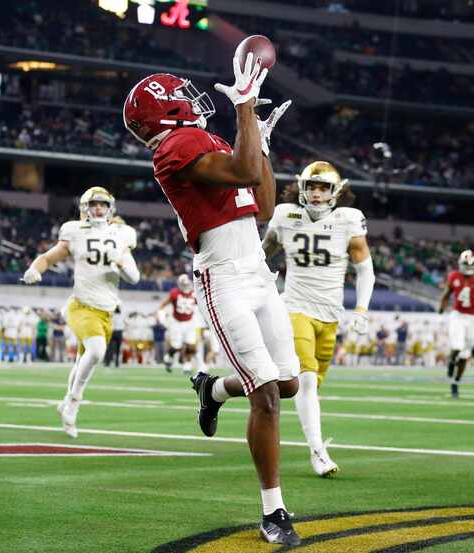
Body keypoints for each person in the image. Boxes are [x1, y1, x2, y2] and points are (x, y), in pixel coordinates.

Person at [124, 55, 301, 544]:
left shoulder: (205, 140)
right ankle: (274, 510)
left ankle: (214, 389)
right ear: (164, 113)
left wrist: (260, 141)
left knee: (288, 385)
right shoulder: (175, 145)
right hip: (221, 277)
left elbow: (264, 205)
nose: (190, 98)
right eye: (178, 95)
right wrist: (244, 111)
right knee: (266, 394)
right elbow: (244, 170)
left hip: (258, 272)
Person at [262, 160, 375, 477]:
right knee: (307, 381)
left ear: (335, 191)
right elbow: (263, 252)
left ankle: (220, 390)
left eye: (322, 187)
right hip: (295, 307)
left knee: (305, 385)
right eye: (311, 186)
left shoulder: (348, 220)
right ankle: (318, 452)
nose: (315, 193)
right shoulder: (285, 215)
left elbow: (365, 268)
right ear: (301, 187)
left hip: (330, 315)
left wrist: (362, 309)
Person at [22, 186, 140, 438]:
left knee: (81, 362)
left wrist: (119, 265)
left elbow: (135, 277)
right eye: (94, 204)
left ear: (110, 208)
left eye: (103, 205)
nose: (99, 208)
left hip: (106, 311)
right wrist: (35, 269)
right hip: (80, 305)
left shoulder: (121, 234)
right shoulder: (74, 232)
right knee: (97, 352)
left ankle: (66, 403)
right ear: (85, 207)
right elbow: (49, 256)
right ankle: (73, 403)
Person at [438, 250, 474, 398]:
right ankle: (451, 363)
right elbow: (446, 294)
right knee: (457, 346)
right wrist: (441, 307)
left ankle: (455, 383)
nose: (468, 267)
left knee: (465, 355)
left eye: (471, 264)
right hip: (458, 316)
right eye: (466, 264)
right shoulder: (454, 276)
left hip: (473, 319)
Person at [158, 273, 199, 374]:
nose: (186, 286)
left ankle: (187, 365)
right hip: (177, 322)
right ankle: (168, 357)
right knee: (176, 347)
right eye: (183, 284)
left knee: (190, 346)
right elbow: (162, 305)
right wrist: (162, 318)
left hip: (190, 322)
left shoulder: (194, 294)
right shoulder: (174, 293)